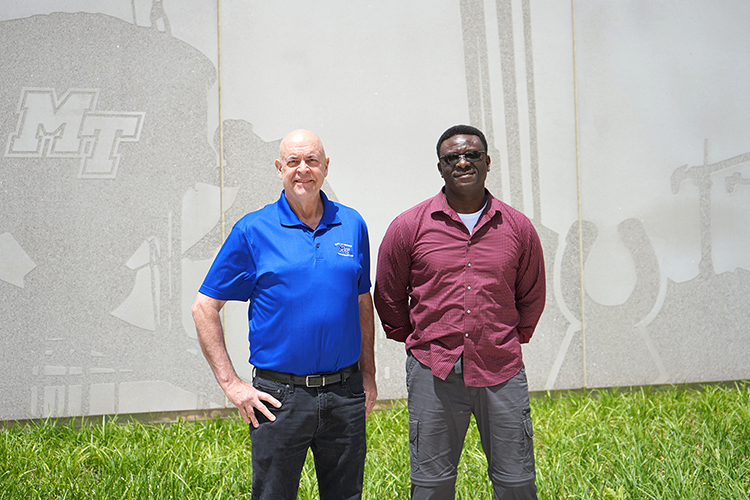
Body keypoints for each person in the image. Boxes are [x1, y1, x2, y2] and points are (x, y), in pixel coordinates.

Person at [192, 129, 377, 500]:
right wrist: (231, 384)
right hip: (279, 398)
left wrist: (368, 374)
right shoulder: (253, 230)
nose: (302, 169)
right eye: (293, 161)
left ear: (326, 166)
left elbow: (362, 302)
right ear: (279, 168)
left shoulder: (352, 224)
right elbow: (204, 306)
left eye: (312, 160)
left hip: (344, 393)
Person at [374, 125, 545, 499]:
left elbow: (532, 295)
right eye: (452, 158)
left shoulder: (517, 227)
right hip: (432, 369)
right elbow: (387, 295)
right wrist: (420, 338)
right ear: (440, 167)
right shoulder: (409, 226)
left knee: (516, 481)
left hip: (500, 369)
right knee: (431, 485)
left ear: (487, 162)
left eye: (472, 155)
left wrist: (503, 338)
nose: (463, 163)